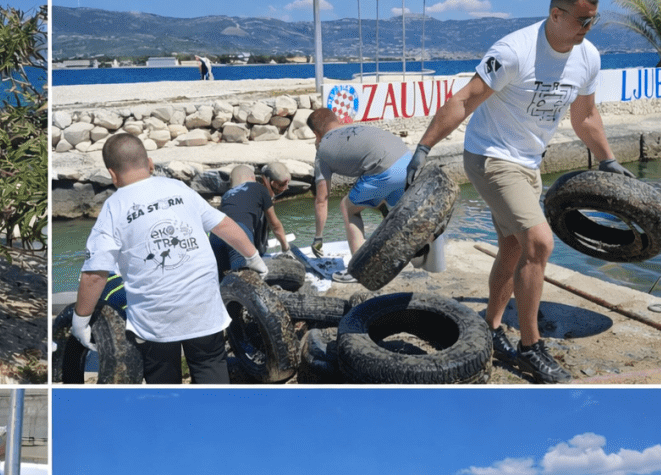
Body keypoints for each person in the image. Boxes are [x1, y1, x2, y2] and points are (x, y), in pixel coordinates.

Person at [406, 0, 631, 383]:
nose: (587, 29)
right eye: (581, 21)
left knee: (512, 248)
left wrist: (609, 161)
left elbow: (586, 118)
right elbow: (463, 100)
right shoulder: (514, 51)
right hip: (490, 157)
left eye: (593, 22)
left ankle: (491, 330)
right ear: (556, 14)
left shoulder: (588, 57)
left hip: (529, 162)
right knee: (539, 242)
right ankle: (530, 347)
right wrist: (422, 148)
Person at [71, 132, 268, 384]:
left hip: (155, 320)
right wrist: (254, 259)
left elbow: (94, 274)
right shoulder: (178, 188)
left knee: (164, 381)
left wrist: (80, 320)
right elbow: (226, 226)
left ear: (112, 174)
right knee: (211, 369)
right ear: (150, 163)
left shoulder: (113, 207)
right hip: (203, 307)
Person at [306, 107, 412, 281]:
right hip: (407, 160)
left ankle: (359, 270)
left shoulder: (322, 150)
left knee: (348, 207)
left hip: (384, 171)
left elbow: (321, 200)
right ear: (337, 120)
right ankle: (406, 249)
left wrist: (318, 237)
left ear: (316, 133)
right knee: (379, 201)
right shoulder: (356, 128)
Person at [213, 163, 293, 274]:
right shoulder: (259, 189)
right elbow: (274, 224)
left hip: (216, 235)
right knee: (242, 277)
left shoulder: (226, 195)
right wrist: (286, 249)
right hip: (238, 232)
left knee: (222, 278)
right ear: (253, 178)